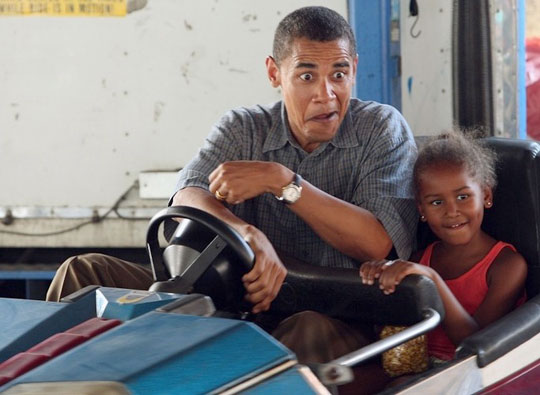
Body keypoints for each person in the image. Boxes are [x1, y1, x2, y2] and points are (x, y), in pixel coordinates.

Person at [46, 6, 417, 363]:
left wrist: (283, 181)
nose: (326, 93)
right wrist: (247, 234)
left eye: (338, 74)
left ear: (354, 70)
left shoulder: (381, 129)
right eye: (307, 76)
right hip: (231, 296)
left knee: (304, 333)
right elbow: (187, 198)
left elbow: (377, 242)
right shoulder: (243, 128)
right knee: (82, 273)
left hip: (333, 309)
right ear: (274, 73)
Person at [360, 130, 527, 364]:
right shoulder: (419, 259)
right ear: (422, 210)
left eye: (463, 197)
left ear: (486, 195)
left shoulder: (507, 266)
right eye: (436, 202)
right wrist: (381, 280)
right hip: (414, 369)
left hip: (468, 377)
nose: (451, 211)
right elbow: (391, 334)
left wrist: (432, 280)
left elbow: (473, 345)